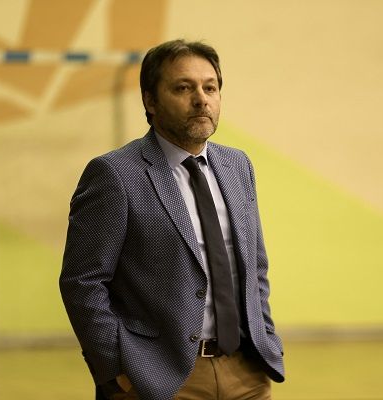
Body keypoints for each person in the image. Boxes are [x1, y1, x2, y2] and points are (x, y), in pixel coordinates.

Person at [59, 39, 285, 400]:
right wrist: (115, 371)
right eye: (183, 88)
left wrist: (266, 338)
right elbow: (82, 281)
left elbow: (255, 267)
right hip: (158, 379)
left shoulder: (237, 165)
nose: (201, 100)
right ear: (150, 101)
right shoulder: (115, 174)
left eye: (210, 88)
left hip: (247, 373)